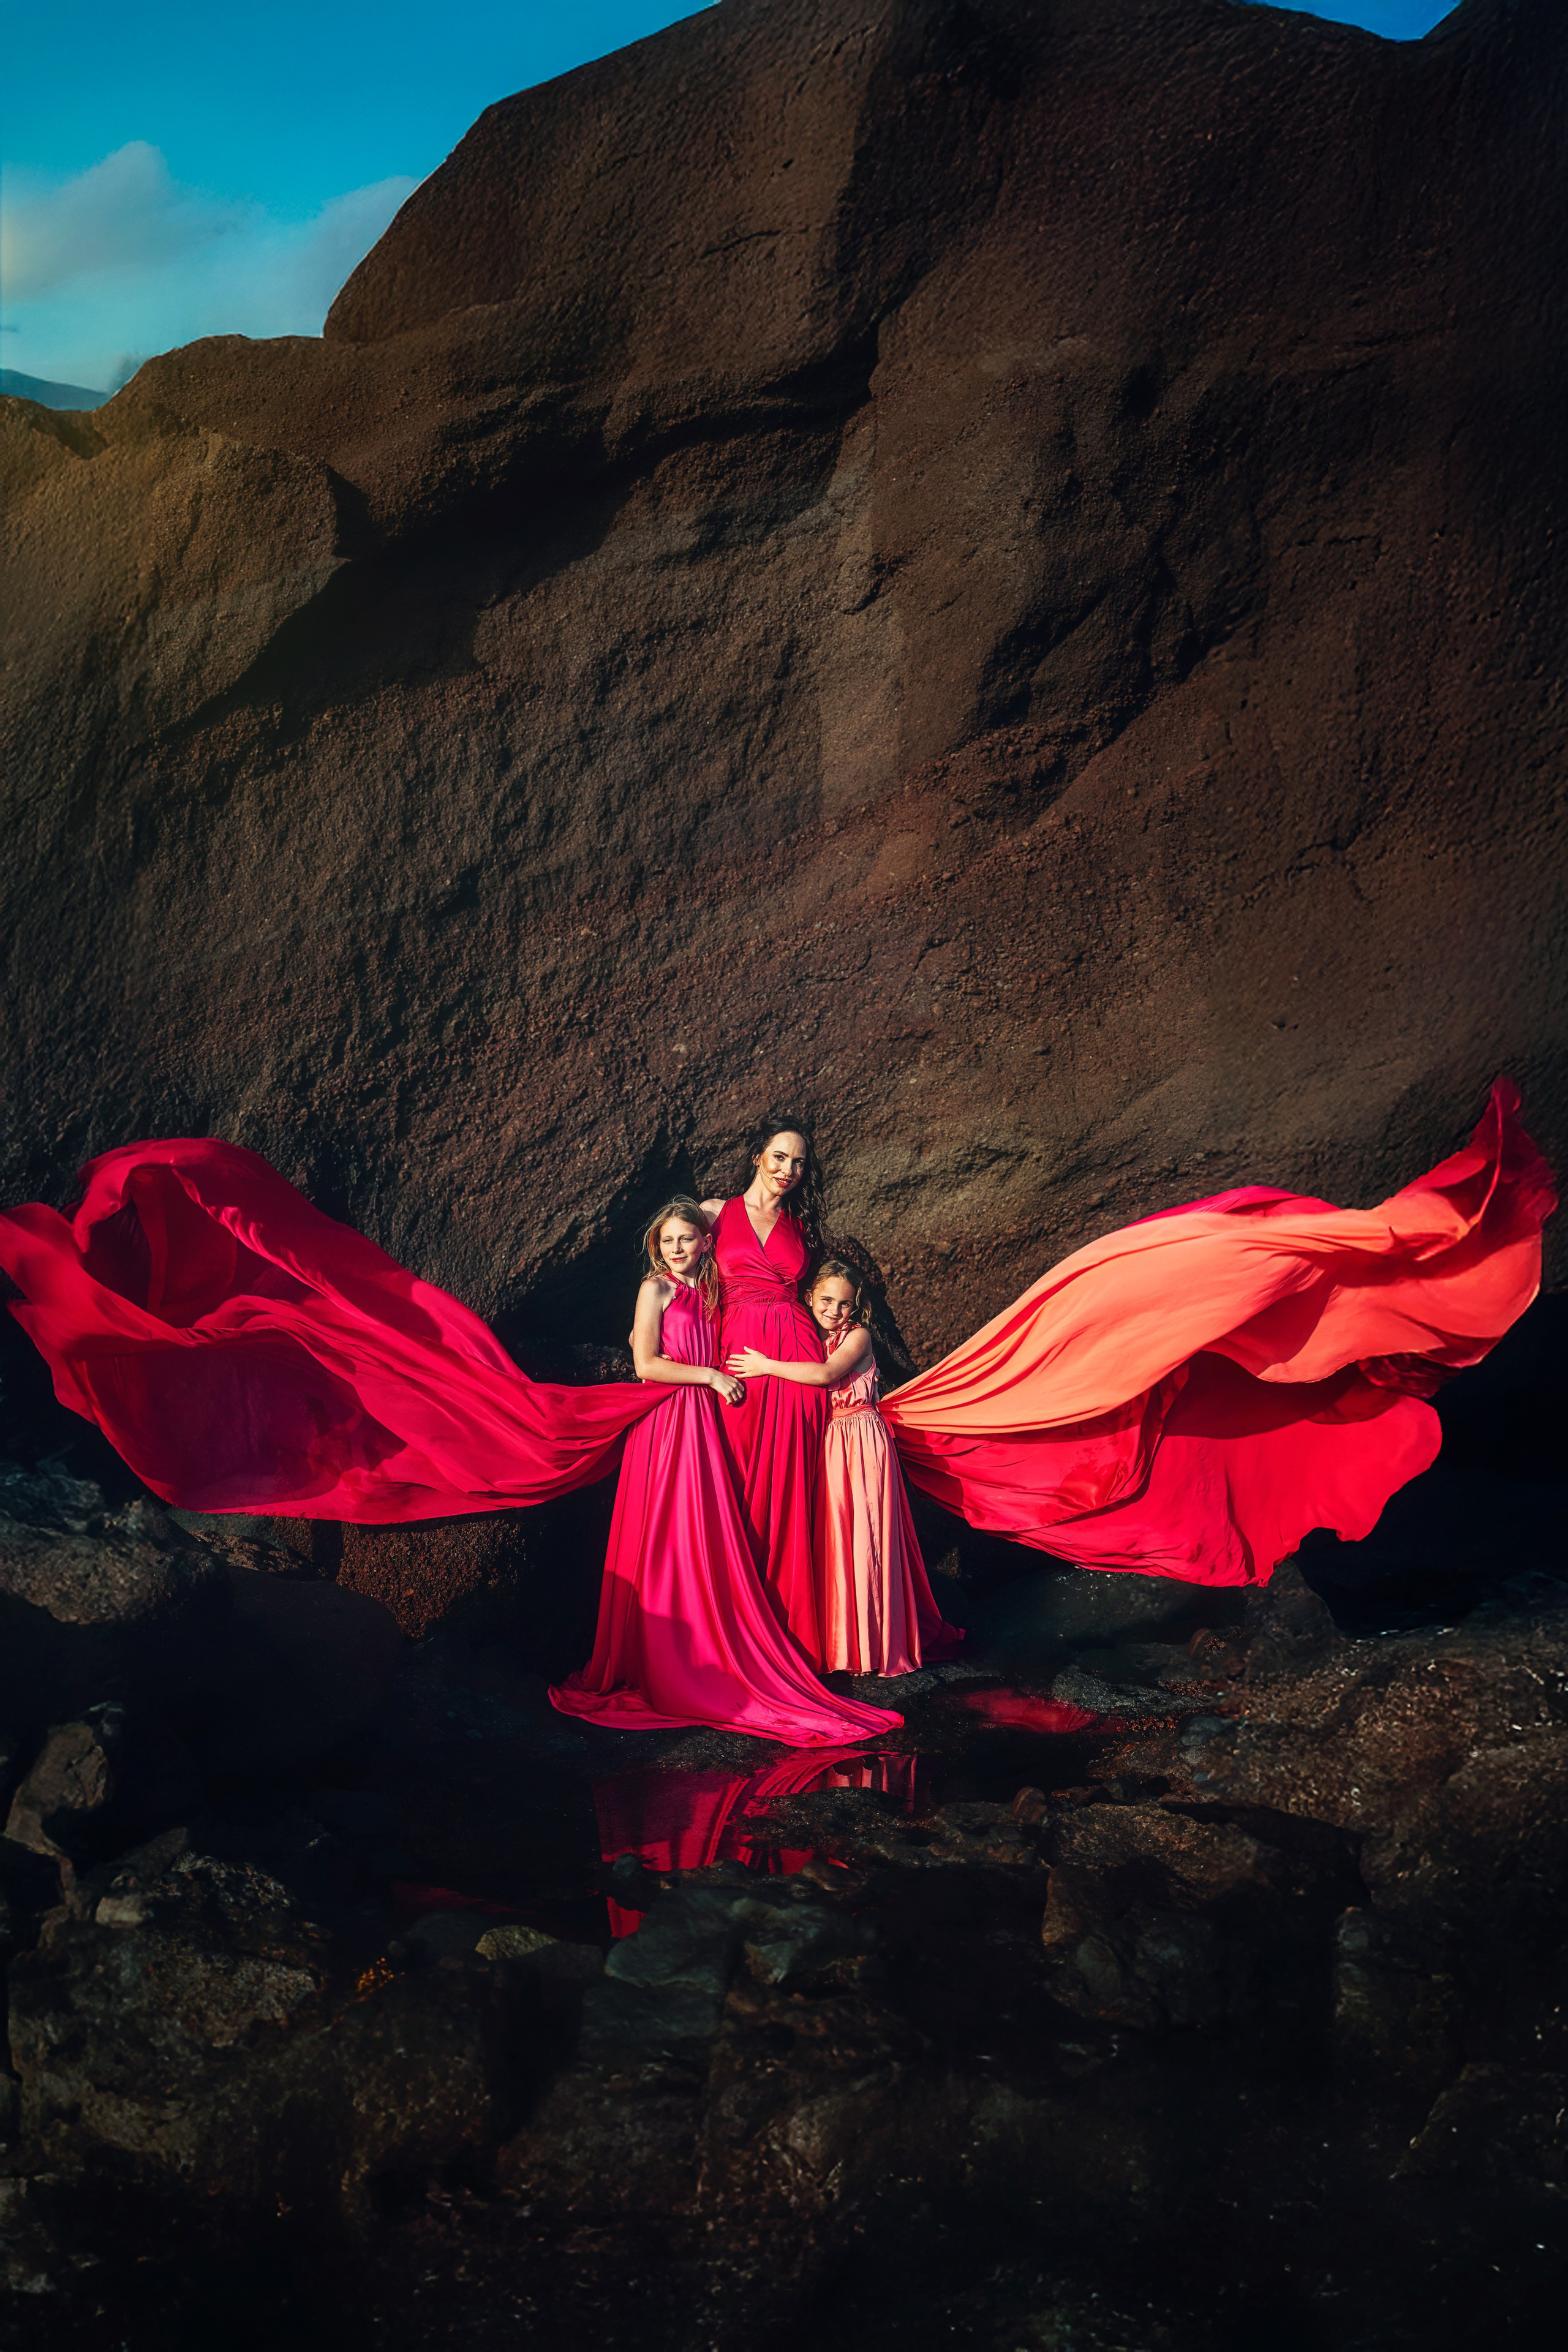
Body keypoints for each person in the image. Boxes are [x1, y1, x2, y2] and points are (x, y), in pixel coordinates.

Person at [548, 1201, 901, 1745]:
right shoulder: (656, 1289)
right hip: (670, 1419)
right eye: (668, 1241)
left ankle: (706, 1650)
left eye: (687, 1239)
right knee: (668, 1536)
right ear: (656, 1247)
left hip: (703, 1423)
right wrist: (712, 1377)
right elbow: (646, 1364)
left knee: (705, 1536)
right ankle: (664, 1662)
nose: (678, 1249)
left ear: (705, 1243)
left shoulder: (709, 1292)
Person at [728, 1259, 963, 1675]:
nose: (834, 1310)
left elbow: (826, 1374)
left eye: (844, 1304)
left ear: (856, 1309)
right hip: (829, 1443)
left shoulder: (858, 1337)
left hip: (863, 1438)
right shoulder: (803, 1337)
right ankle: (842, 1647)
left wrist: (765, 1366)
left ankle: (875, 1647)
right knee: (837, 1540)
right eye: (826, 1300)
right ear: (809, 1298)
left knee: (867, 1537)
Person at [698, 1116, 832, 1659]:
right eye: (780, 1157)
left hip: (794, 1358)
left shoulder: (802, 1227)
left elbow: (824, 1298)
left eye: (798, 1163)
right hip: (736, 1359)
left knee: (792, 1492)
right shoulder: (713, 1213)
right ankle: (734, 1629)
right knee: (735, 1483)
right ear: (757, 1157)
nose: (788, 1170)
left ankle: (792, 1633)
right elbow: (676, 1274)